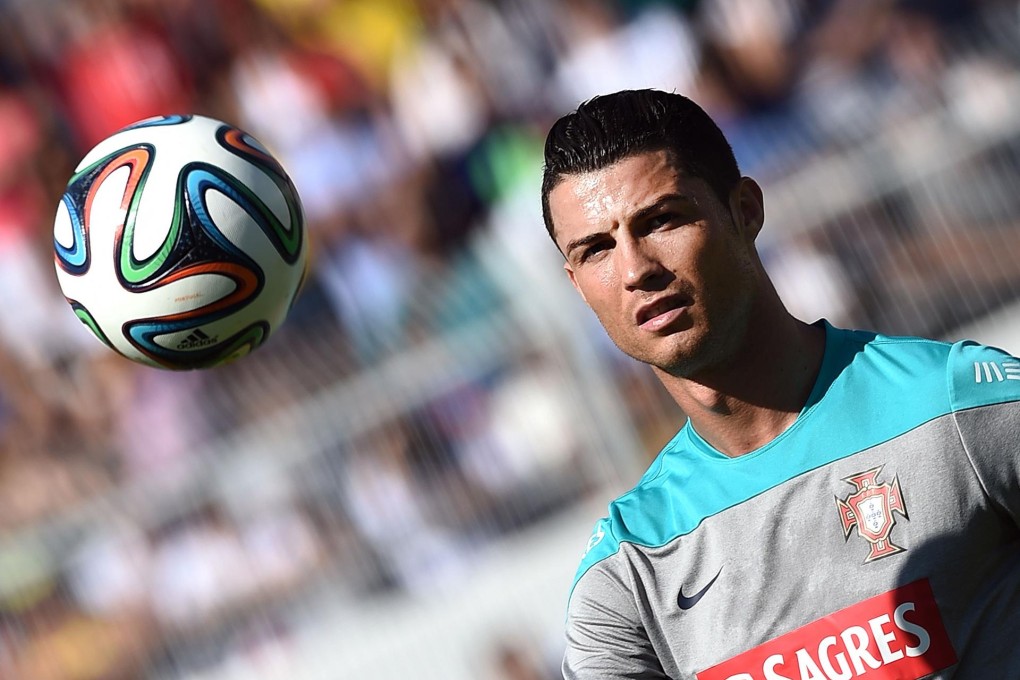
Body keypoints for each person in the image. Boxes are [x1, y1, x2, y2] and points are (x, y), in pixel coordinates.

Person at [540, 89, 1020, 679]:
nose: (636, 269)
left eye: (661, 220)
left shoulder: (957, 407)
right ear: (576, 284)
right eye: (596, 250)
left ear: (745, 211)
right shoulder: (630, 573)